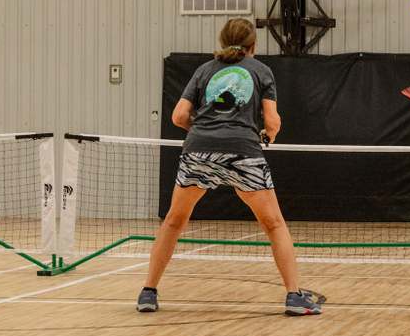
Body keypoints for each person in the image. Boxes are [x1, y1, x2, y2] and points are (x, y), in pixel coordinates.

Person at [135, 18, 321, 316]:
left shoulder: (204, 70)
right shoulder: (261, 71)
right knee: (274, 224)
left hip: (199, 151)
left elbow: (179, 115)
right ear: (253, 46)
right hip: (242, 153)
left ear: (223, 41)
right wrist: (267, 135)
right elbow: (272, 121)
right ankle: (294, 297)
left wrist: (206, 129)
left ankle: (148, 292)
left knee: (173, 221)